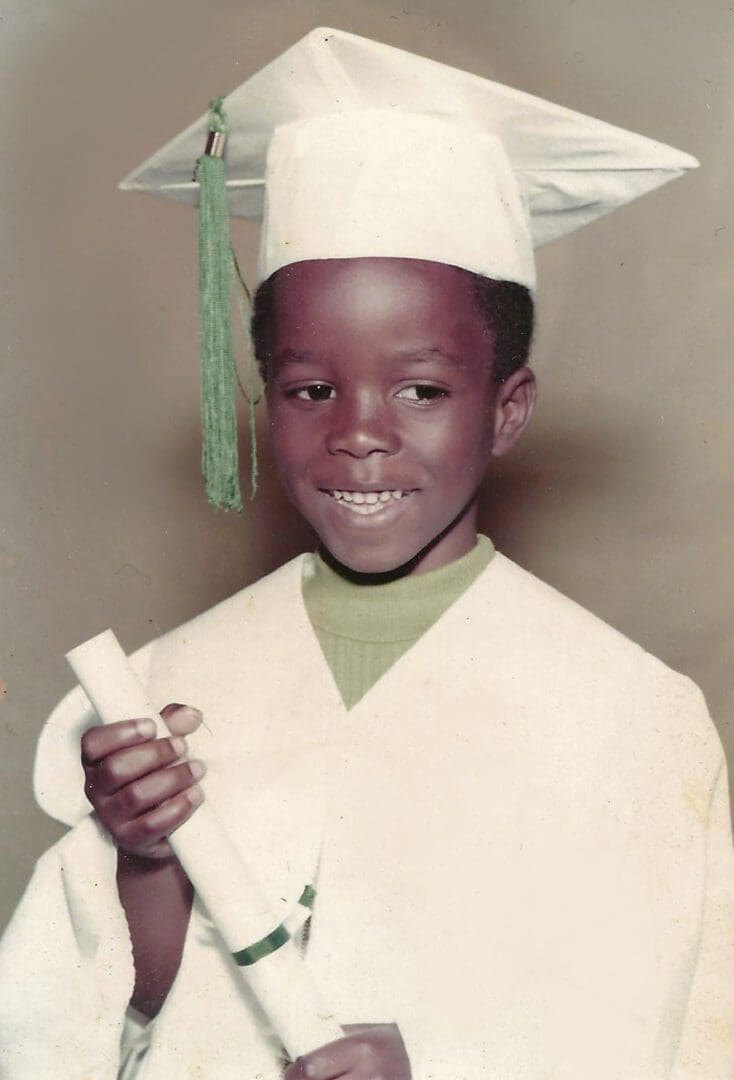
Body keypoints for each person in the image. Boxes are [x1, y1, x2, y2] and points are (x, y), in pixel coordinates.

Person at [1, 26, 733, 1080]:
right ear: (264, 402)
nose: (358, 433)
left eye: (421, 389)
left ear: (507, 408)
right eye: (309, 390)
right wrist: (146, 856)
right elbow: (86, 1026)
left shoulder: (629, 719)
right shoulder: (165, 691)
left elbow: (678, 1036)